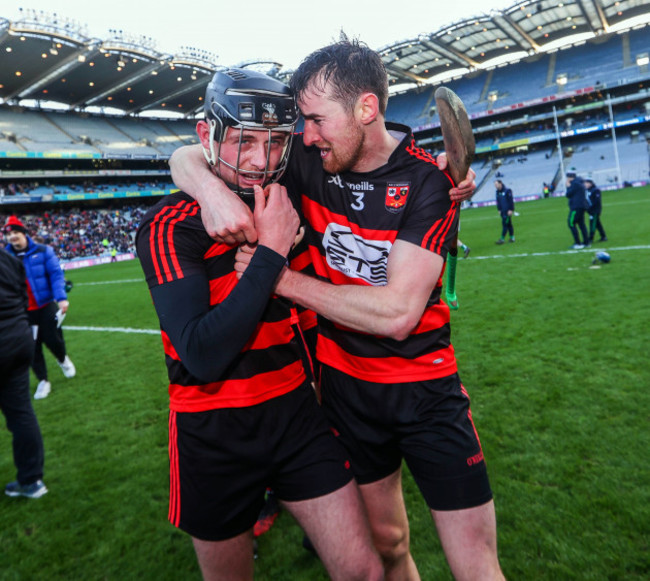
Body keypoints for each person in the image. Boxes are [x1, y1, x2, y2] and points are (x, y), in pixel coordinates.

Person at [169, 40, 503, 581]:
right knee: (389, 547)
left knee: (476, 569)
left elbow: (397, 314)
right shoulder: (309, 159)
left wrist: (281, 279)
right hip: (346, 392)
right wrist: (212, 192)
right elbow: (186, 154)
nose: (305, 135)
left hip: (426, 393)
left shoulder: (428, 184)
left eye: (316, 119)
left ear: (366, 109)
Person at [136, 69, 382, 581]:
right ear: (208, 137)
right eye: (243, 141)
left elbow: (372, 144)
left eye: (272, 143)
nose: (258, 160)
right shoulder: (167, 227)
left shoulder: (286, 191)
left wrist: (439, 175)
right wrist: (269, 249)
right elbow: (201, 355)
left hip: (296, 416)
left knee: (364, 571)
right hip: (213, 432)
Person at [3, 216, 76, 400]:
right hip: (23, 310)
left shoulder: (44, 251)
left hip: (45, 305)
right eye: (8, 234)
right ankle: (43, 381)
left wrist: (61, 298)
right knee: (31, 347)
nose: (12, 237)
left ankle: (62, 359)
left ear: (24, 233)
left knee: (54, 340)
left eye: (15, 233)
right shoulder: (5, 257)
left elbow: (55, 275)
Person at [0, 249, 48, 499]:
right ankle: (31, 481)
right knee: (21, 412)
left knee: (20, 413)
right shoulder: (8, 258)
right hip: (18, 338)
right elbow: (23, 295)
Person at [564, 172, 590, 249]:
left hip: (576, 207)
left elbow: (568, 194)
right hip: (582, 206)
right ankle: (586, 242)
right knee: (581, 224)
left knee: (571, 223)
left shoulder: (574, 184)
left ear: (570, 177)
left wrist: (568, 186)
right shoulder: (580, 182)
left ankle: (578, 243)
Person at [584, 178, 608, 242]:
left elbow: (596, 201)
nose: (585, 184)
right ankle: (603, 236)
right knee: (597, 223)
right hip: (590, 210)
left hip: (595, 210)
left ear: (590, 183)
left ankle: (590, 238)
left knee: (593, 224)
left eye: (586, 183)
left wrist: (590, 208)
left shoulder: (595, 190)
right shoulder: (587, 191)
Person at [494, 179, 515, 244]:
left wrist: (511, 209)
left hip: (507, 211)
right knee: (509, 224)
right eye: (495, 185)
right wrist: (499, 209)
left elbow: (511, 201)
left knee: (505, 224)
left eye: (496, 184)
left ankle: (502, 239)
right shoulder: (497, 192)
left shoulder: (507, 190)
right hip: (502, 211)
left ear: (501, 183)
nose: (496, 186)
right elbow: (498, 202)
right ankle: (512, 238)